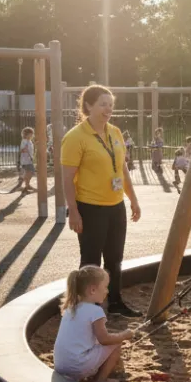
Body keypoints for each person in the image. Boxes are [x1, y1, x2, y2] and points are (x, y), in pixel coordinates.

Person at [61, 85, 143, 318]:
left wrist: (133, 199)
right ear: (88, 106)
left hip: (115, 206)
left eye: (111, 104)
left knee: (115, 259)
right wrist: (73, 212)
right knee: (90, 261)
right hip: (90, 207)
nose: (108, 109)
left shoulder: (115, 132)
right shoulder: (75, 137)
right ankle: (88, 308)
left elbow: (123, 169)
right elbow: (67, 179)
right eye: (103, 104)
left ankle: (115, 302)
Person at [53, 265, 134, 382]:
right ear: (92, 290)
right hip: (77, 367)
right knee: (116, 344)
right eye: (105, 287)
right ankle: (99, 381)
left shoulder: (71, 308)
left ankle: (91, 373)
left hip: (60, 365)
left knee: (99, 343)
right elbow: (104, 340)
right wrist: (123, 335)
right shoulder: (95, 311)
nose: (107, 291)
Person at [19, 127, 36, 192]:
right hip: (26, 161)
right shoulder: (24, 141)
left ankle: (27, 185)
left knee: (30, 172)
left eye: (32, 134)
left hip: (29, 160)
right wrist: (24, 150)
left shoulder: (29, 141)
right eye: (31, 134)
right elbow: (21, 150)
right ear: (26, 134)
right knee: (31, 172)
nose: (32, 135)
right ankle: (25, 183)